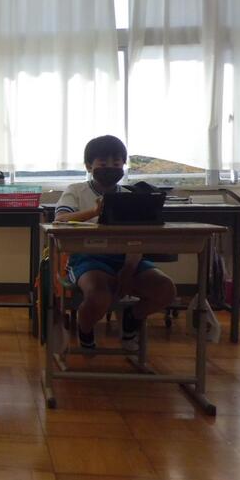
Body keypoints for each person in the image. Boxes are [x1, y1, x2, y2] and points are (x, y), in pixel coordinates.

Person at [54, 135, 176, 351]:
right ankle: (85, 328)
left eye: (117, 163)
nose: (110, 167)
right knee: (99, 295)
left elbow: (138, 239)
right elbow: (60, 220)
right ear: (89, 166)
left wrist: (128, 269)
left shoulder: (131, 196)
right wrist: (94, 212)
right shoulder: (75, 191)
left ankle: (132, 318)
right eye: (103, 163)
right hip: (87, 258)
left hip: (126, 257)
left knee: (166, 290)